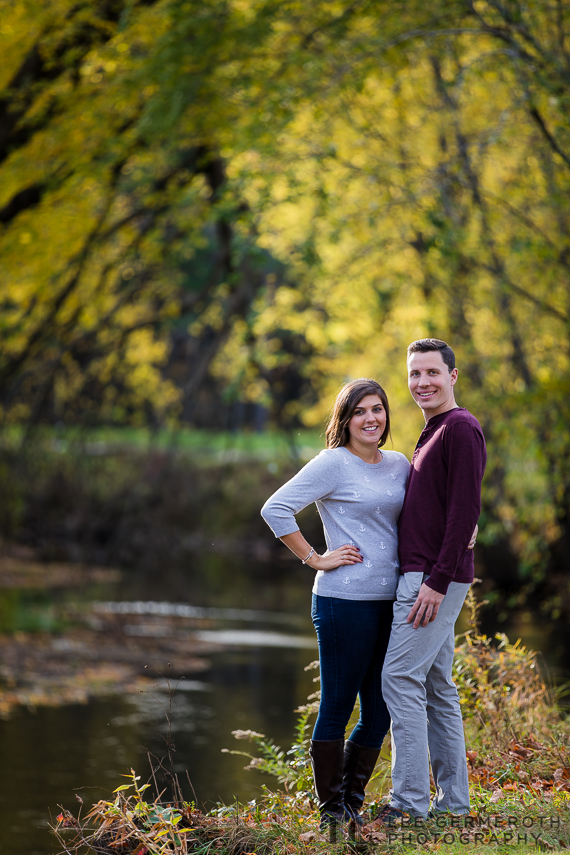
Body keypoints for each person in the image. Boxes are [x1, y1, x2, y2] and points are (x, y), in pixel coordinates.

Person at [261, 378, 410, 830]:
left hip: (393, 603)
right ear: (345, 420)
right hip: (343, 603)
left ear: (386, 415)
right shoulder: (333, 464)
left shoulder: (400, 464)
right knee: (337, 708)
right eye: (360, 411)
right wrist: (316, 558)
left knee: (381, 709)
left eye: (378, 410)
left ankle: (350, 805)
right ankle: (331, 816)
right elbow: (275, 508)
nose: (371, 418)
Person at [379, 338, 487, 821]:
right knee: (439, 685)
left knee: (399, 677)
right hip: (427, 573)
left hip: (431, 579)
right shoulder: (434, 429)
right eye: (415, 374)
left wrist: (436, 582)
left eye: (432, 373)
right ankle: (455, 805)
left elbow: (465, 513)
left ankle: (408, 804)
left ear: (453, 376)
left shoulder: (460, 428)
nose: (422, 382)